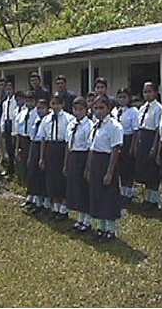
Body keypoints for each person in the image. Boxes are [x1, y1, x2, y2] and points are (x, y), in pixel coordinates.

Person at [85, 94, 123, 241]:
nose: (98, 111)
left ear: (108, 108)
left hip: (107, 162)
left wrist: (109, 172)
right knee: (97, 194)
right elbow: (92, 148)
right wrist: (88, 168)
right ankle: (100, 227)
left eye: (102, 108)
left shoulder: (114, 126)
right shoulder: (95, 125)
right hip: (95, 162)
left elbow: (115, 150)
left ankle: (111, 230)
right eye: (95, 108)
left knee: (108, 196)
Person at [38, 94, 74, 220]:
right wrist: (42, 157)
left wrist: (66, 161)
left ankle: (64, 209)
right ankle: (55, 207)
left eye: (58, 104)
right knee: (52, 179)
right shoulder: (46, 119)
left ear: (63, 105)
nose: (55, 106)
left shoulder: (69, 118)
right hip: (50, 148)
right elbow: (42, 139)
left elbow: (68, 141)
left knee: (62, 179)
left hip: (62, 148)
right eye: (53, 103)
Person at [64, 96, 94, 232]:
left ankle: (87, 219)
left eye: (81, 109)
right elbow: (68, 145)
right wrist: (66, 163)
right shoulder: (71, 124)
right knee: (75, 187)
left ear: (86, 110)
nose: (77, 112)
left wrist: (87, 167)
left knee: (83, 188)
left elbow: (90, 148)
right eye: (75, 109)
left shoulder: (89, 125)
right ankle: (80, 218)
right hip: (73, 156)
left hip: (83, 156)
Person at [132, 82, 162, 209]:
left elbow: (158, 130)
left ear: (155, 93)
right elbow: (139, 127)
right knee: (144, 170)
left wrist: (154, 147)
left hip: (152, 139)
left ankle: (154, 200)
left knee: (152, 171)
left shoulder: (158, 108)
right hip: (142, 139)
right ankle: (147, 198)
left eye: (150, 91)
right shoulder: (142, 107)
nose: (147, 94)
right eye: (145, 92)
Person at [112, 88, 139, 200]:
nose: (122, 100)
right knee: (119, 166)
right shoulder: (114, 110)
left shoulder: (133, 111)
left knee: (128, 167)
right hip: (116, 140)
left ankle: (128, 192)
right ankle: (121, 191)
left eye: (124, 97)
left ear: (129, 98)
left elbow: (135, 130)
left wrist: (133, 146)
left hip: (128, 139)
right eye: (120, 97)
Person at [26, 99, 49, 212]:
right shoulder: (36, 120)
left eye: (42, 108)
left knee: (41, 176)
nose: (40, 110)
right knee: (33, 173)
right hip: (34, 145)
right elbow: (32, 136)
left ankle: (44, 204)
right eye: (38, 108)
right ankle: (36, 200)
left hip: (42, 147)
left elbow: (44, 138)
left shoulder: (47, 121)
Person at [13, 91, 37, 192]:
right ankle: (27, 191)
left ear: (35, 101)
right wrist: (17, 147)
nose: (29, 103)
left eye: (31, 101)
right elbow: (18, 132)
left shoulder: (37, 114)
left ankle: (33, 192)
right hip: (22, 141)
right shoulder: (21, 113)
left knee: (32, 167)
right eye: (27, 101)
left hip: (32, 142)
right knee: (23, 166)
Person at [0, 81, 18, 176]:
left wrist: (15, 130)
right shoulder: (4, 102)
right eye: (7, 89)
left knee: (14, 147)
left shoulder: (16, 101)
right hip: (6, 124)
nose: (8, 91)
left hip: (13, 124)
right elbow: (3, 115)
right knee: (8, 148)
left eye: (10, 89)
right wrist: (2, 128)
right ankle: (9, 169)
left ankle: (15, 170)